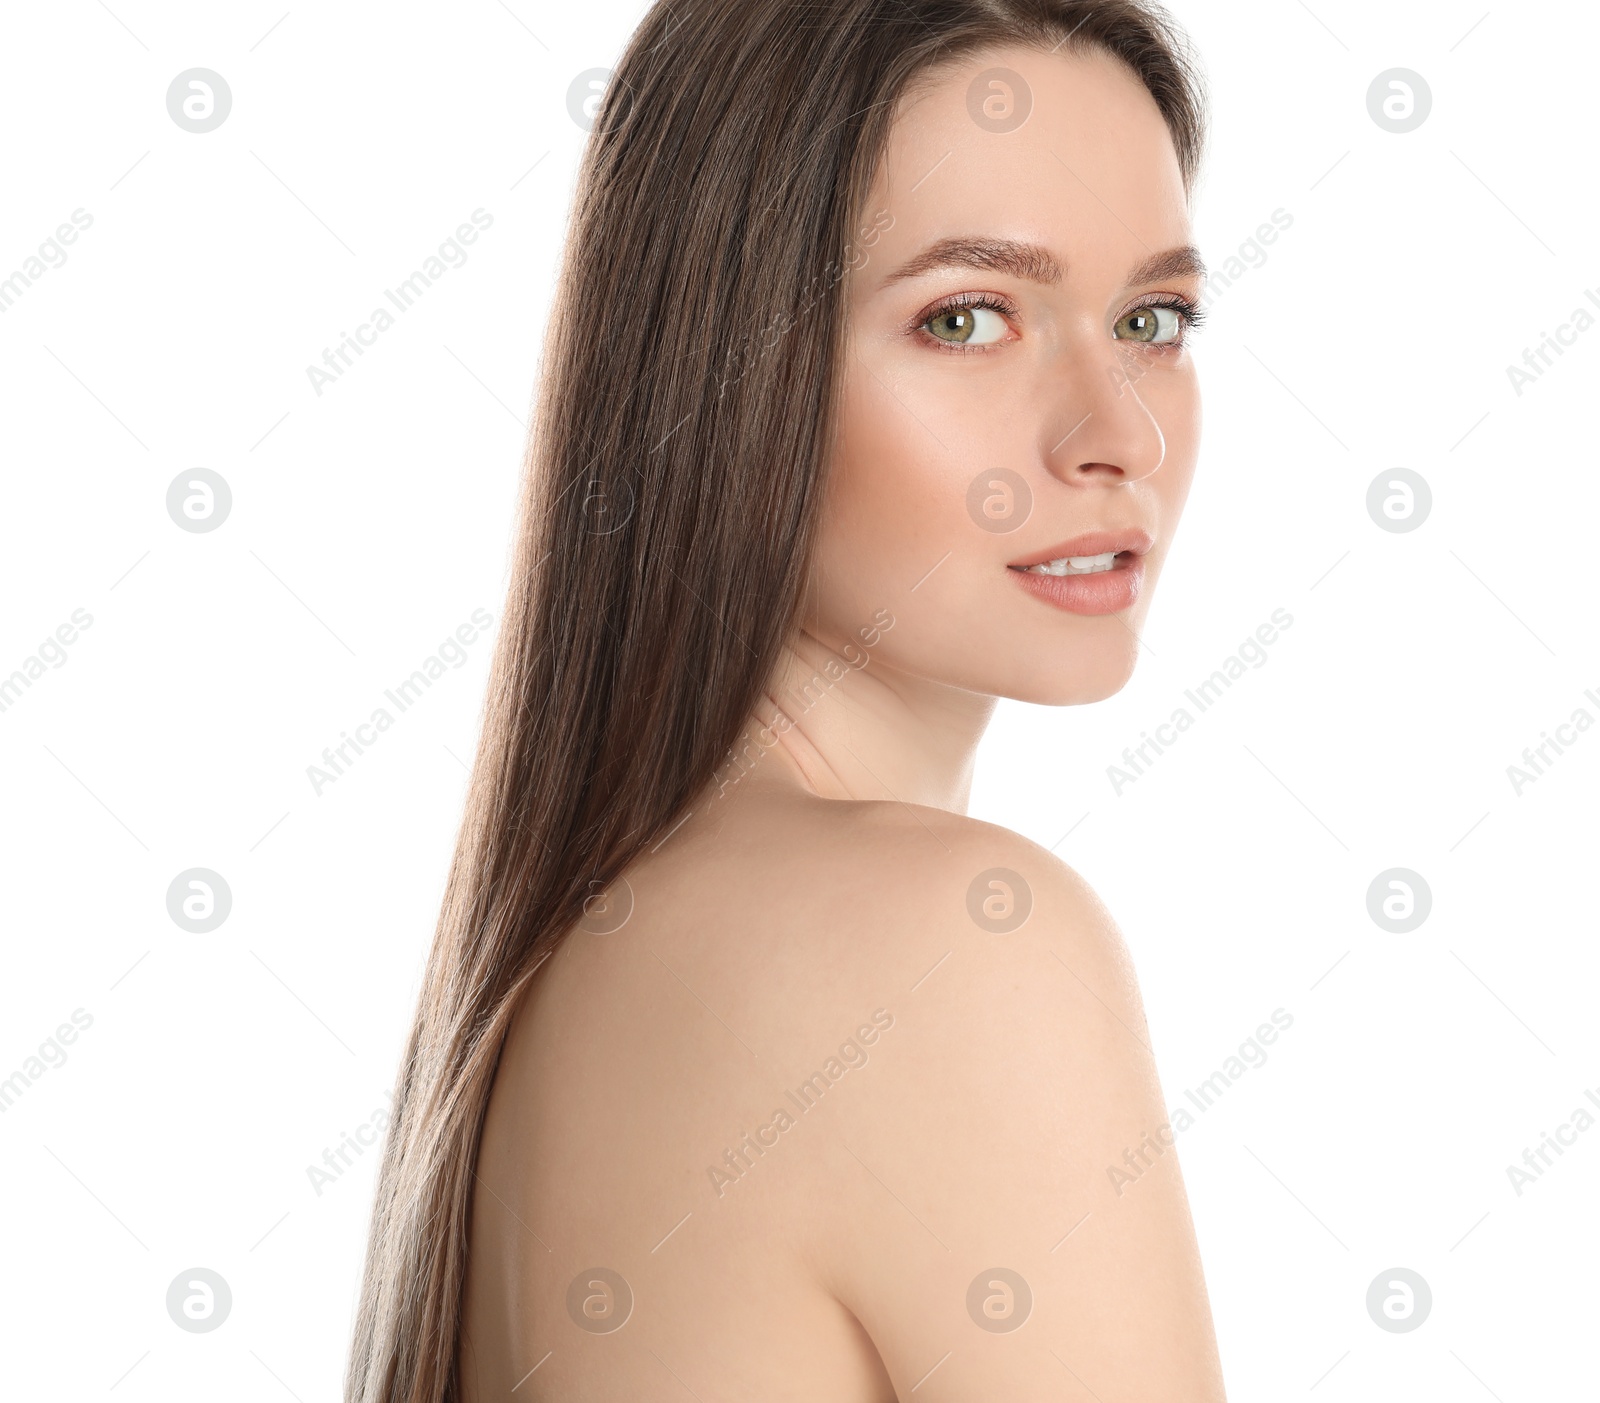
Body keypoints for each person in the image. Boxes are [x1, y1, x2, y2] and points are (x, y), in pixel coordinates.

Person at [348, 2, 1227, 1398]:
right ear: (727, 366)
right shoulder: (949, 948)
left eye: (1152, 318)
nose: (1119, 432)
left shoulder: (578, 963)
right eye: (967, 316)